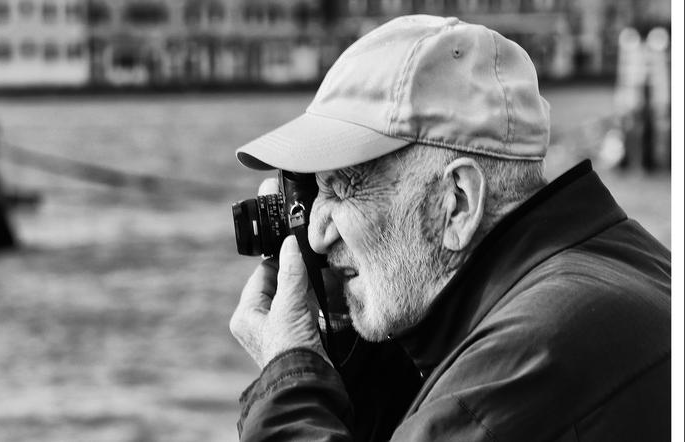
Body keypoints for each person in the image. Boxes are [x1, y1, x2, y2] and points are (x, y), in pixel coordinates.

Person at [229, 15, 671, 441]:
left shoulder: (512, 370)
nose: (316, 234)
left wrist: (289, 379)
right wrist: (345, 348)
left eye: (343, 191)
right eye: (314, 192)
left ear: (457, 201)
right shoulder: (622, 262)